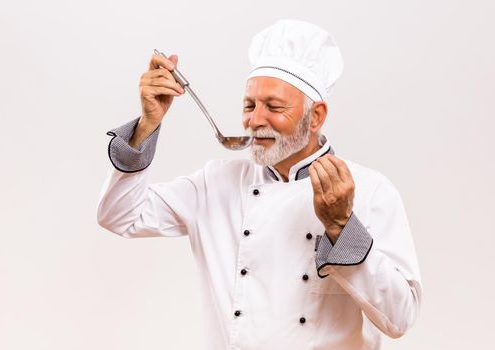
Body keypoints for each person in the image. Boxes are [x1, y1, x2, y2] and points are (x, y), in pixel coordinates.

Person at [97, 19, 422, 350]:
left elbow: (400, 317)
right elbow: (120, 215)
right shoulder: (216, 183)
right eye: (249, 105)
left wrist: (342, 227)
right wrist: (146, 126)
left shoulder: (369, 190)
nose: (255, 120)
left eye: (274, 107)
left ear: (316, 116)